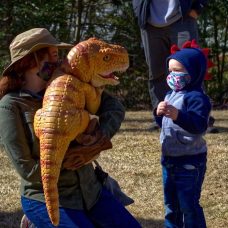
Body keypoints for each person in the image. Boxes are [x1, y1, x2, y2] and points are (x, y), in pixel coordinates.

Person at [0, 28, 141, 228]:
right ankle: (36, 221)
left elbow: (114, 108)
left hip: (90, 191)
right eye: (50, 52)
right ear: (30, 61)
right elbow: (26, 168)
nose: (58, 57)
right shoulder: (10, 105)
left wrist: (98, 139)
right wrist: (69, 159)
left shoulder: (71, 83)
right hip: (47, 197)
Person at [154, 40, 211, 227]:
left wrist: (178, 115)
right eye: (170, 71)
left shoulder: (197, 98)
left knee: (189, 206)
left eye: (177, 71)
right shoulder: (170, 94)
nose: (172, 76)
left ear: (193, 73)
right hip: (169, 159)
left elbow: (199, 125)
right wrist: (159, 114)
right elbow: (165, 124)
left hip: (190, 162)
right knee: (171, 205)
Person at [132, 0, 209, 130]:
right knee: (156, 72)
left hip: (182, 18)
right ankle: (162, 118)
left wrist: (197, 7)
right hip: (150, 23)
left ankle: (199, 117)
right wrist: (139, 11)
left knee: (191, 70)